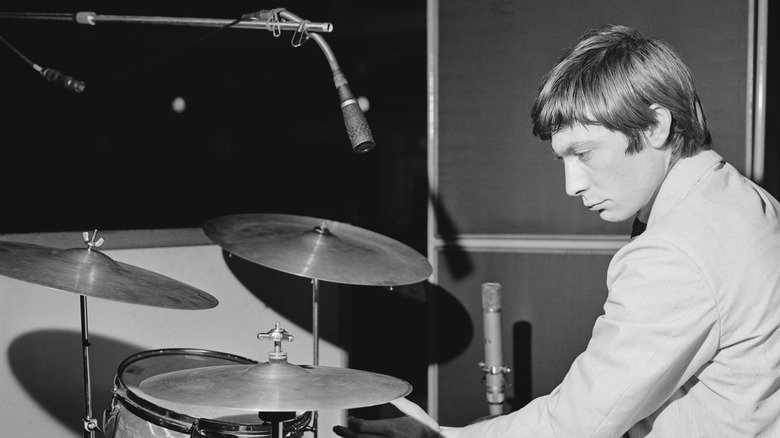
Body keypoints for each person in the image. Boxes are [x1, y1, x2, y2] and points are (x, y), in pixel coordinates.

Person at [333, 23, 780, 437]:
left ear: (656, 126)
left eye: (583, 153)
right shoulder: (747, 201)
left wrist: (441, 437)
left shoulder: (675, 251)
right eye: (562, 160)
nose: (572, 185)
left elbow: (575, 426)